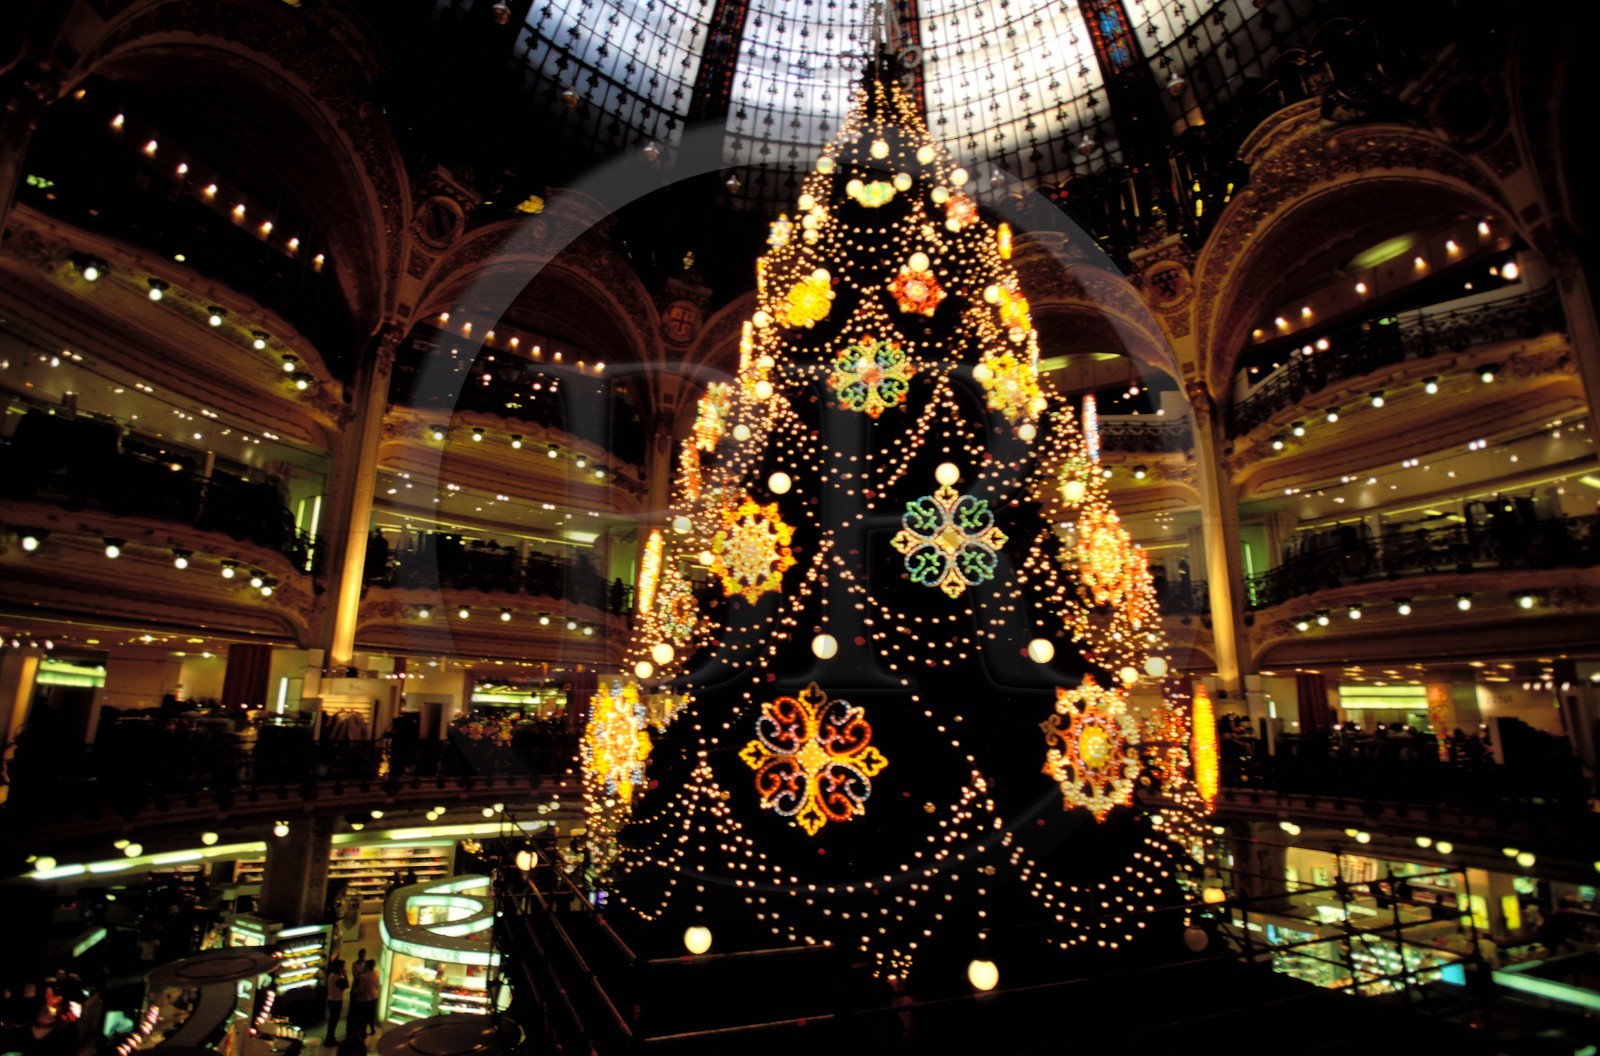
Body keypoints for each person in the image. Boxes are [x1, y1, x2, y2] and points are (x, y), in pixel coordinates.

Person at [348, 958, 381, 1040]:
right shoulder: (377, 973)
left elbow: (361, 990)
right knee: (371, 1014)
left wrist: (355, 991)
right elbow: (377, 985)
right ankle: (372, 1029)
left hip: (365, 999)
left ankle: (363, 1033)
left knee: (363, 1017)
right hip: (374, 997)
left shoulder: (364, 977)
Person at [323, 958, 348, 1046]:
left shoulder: (331, 976)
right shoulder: (337, 978)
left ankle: (330, 1037)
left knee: (332, 1021)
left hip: (331, 999)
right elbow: (346, 985)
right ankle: (330, 1039)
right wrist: (345, 975)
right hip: (336, 1001)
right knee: (334, 1021)